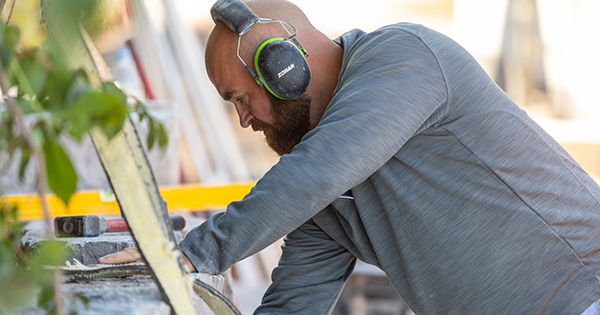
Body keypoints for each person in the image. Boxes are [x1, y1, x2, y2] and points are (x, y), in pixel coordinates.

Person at [99, 0, 600, 313]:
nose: (244, 121)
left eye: (238, 98)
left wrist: (187, 253)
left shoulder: (405, 56)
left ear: (282, 66)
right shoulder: (328, 197)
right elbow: (294, 305)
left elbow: (316, 172)